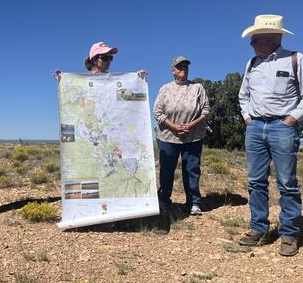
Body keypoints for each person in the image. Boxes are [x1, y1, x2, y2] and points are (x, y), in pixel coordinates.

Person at [238, 14, 302, 257]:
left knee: (287, 183)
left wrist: (291, 119)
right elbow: (243, 95)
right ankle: (258, 229)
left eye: (255, 39)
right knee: (255, 181)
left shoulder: (295, 60)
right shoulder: (251, 63)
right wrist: (247, 118)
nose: (251, 43)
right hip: (255, 128)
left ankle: (288, 234)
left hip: (282, 127)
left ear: (272, 38)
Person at [153, 56, 210, 216]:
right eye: (179, 67)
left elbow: (205, 110)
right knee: (167, 170)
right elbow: (157, 112)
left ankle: (194, 202)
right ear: (173, 71)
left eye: (185, 66)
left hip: (193, 136)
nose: (183, 69)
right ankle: (163, 201)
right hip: (167, 136)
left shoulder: (197, 87)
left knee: (192, 169)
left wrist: (190, 125)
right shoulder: (165, 89)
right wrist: (174, 127)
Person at [54, 41, 148, 78]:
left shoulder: (114, 80)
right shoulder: (82, 81)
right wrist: (62, 79)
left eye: (110, 58)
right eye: (104, 58)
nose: (108, 61)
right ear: (94, 59)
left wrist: (138, 79)